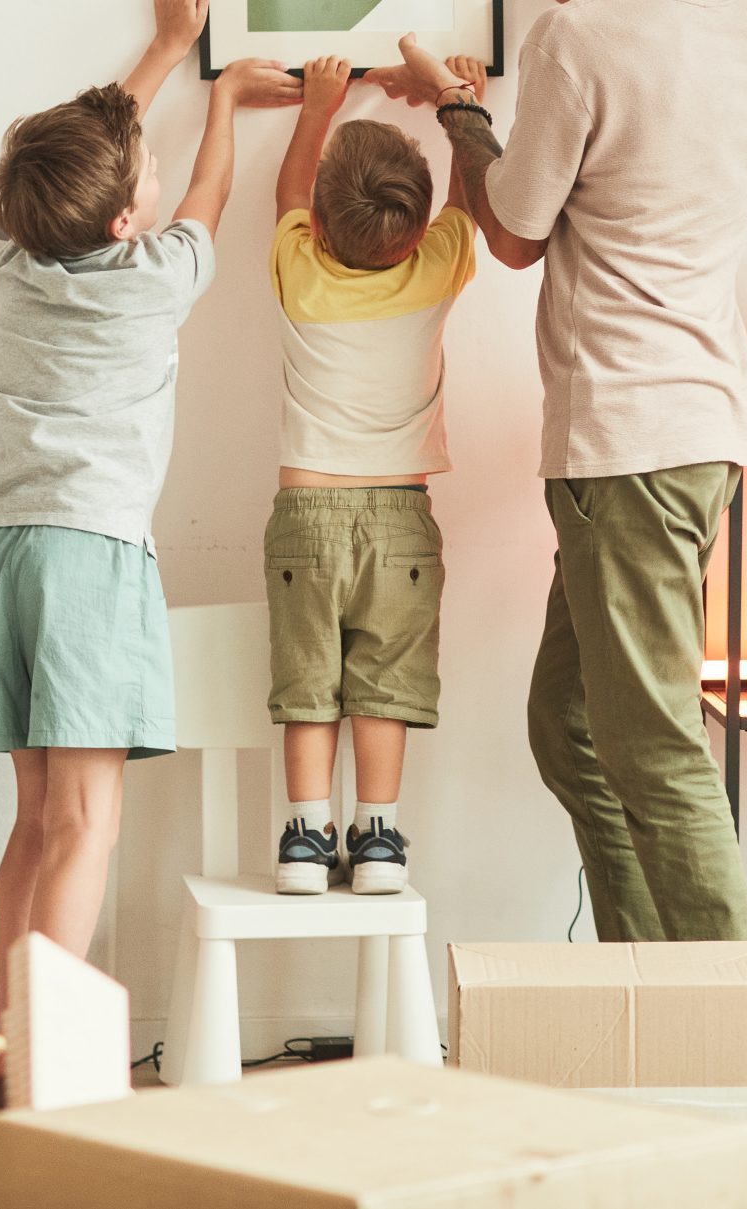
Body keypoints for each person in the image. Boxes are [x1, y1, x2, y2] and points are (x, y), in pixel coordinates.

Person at [365, 0, 747, 942]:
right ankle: (643, 984)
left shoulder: (580, 51)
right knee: (572, 725)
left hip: (625, 441)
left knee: (655, 746)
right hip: (700, 427)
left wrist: (455, 109)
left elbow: (507, 231)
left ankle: (730, 1046)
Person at [0, 0, 301, 1008]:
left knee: (33, 820)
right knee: (87, 824)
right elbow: (204, 192)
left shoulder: (18, 269)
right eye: (136, 173)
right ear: (122, 222)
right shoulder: (155, 280)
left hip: (3, 556)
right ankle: (48, 1052)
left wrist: (165, 49)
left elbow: (100, 152)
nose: (152, 171)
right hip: (89, 555)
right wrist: (226, 107)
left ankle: (14, 1032)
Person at [264, 53, 480, 895]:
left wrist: (317, 106)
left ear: (318, 225)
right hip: (400, 517)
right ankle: (379, 838)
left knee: (307, 682)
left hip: (305, 510)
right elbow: (467, 203)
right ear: (416, 232)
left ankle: (306, 837)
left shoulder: (299, 270)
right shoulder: (435, 267)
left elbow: (287, 189)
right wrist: (464, 110)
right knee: (383, 683)